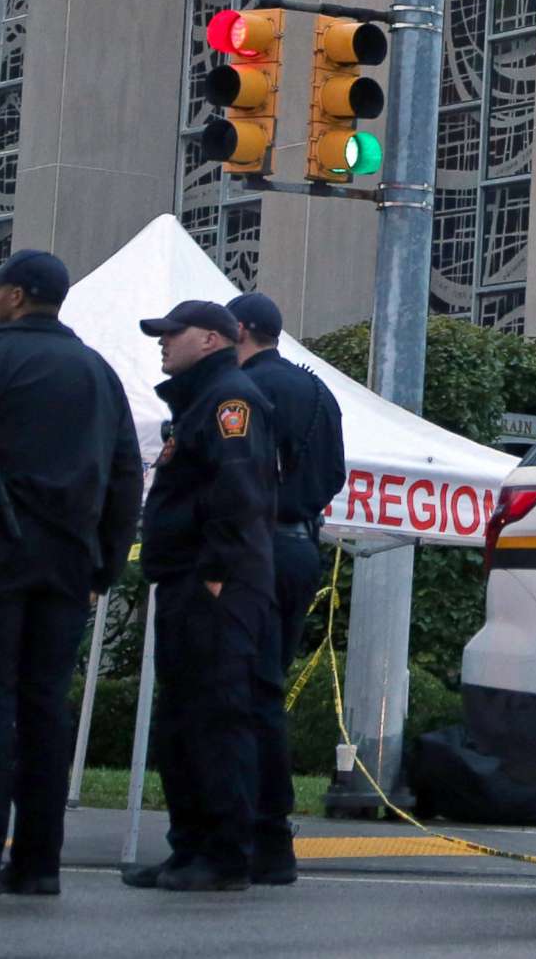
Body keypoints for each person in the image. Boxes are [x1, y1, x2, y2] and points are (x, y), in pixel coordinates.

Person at [0, 251, 143, 899]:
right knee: (44, 708)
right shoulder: (99, 372)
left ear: (14, 297)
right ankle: (38, 864)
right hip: (68, 562)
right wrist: (105, 562)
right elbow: (127, 477)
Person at [123, 300, 276, 894]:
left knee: (217, 718)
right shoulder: (200, 403)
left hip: (216, 585)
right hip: (189, 580)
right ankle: (189, 848)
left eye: (172, 333)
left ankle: (225, 853)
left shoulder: (229, 401)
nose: (162, 343)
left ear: (212, 340)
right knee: (183, 721)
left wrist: (214, 572)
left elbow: (239, 491)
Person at [225, 291, 344, 886]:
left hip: (254, 546)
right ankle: (270, 834)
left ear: (241, 330)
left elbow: (234, 471)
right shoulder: (320, 390)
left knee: (237, 693)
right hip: (300, 545)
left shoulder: (242, 393)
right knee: (266, 690)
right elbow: (337, 473)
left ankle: (253, 829)